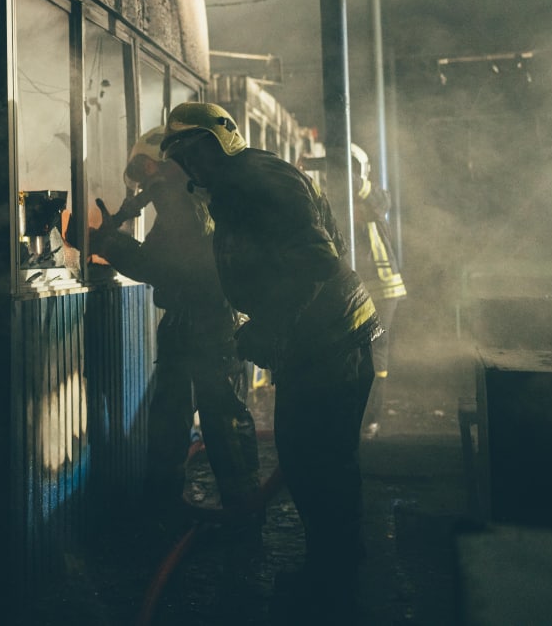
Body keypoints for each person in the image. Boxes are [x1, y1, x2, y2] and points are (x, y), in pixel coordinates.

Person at [159, 102, 381, 618]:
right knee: (319, 465)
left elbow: (317, 259)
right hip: (322, 343)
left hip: (330, 345)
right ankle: (337, 572)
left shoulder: (253, 183)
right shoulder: (241, 180)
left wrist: (270, 324)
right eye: (178, 156)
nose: (184, 166)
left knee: (314, 465)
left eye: (188, 152)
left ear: (213, 145)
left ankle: (331, 589)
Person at [89, 127, 261, 533]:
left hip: (206, 323)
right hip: (197, 321)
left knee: (217, 423)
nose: (144, 180)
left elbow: (161, 264)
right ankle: (194, 513)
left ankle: (235, 520)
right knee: (179, 417)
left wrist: (106, 243)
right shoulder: (194, 192)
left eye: (143, 168)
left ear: (158, 162)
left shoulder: (177, 194)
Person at [349, 143, 407, 439]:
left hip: (383, 291)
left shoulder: (374, 196)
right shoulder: (337, 201)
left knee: (374, 351)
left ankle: (371, 418)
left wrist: (326, 165)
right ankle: (358, 417)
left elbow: (371, 196)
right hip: (358, 290)